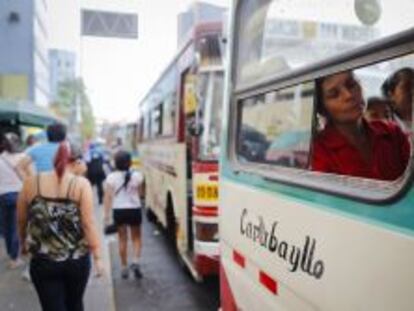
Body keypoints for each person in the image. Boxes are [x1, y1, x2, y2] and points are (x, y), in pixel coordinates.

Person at [17, 142, 104, 311]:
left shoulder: (30, 182)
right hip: (76, 261)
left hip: (43, 261)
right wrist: (98, 257)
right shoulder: (81, 184)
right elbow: (88, 223)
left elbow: (21, 219)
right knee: (75, 304)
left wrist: (23, 244)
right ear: (77, 162)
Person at [312, 70, 410, 180]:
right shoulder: (318, 152)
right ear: (322, 109)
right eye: (334, 94)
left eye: (351, 84)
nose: (348, 95)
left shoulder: (392, 132)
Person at [104, 150, 144, 279]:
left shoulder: (111, 177)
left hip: (119, 211)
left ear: (115, 163)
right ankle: (136, 262)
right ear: (130, 162)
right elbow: (141, 193)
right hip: (134, 209)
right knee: (136, 238)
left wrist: (107, 215)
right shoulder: (138, 176)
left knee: (122, 239)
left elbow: (108, 197)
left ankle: (123, 267)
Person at [0, 132, 27, 269]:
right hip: (19, 194)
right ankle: (14, 258)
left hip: (3, 196)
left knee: (6, 226)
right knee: (17, 226)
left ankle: (12, 253)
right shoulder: (23, 157)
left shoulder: (0, 158)